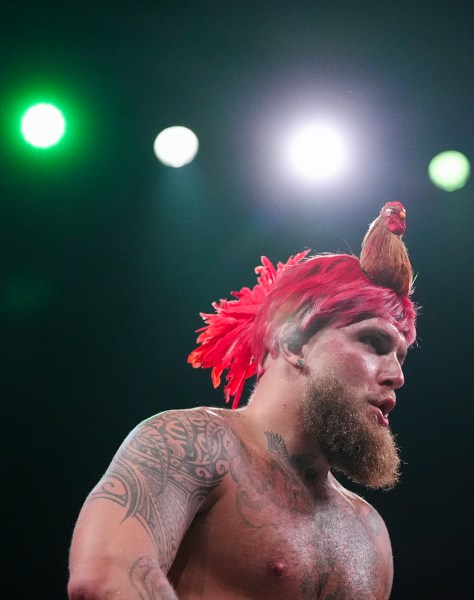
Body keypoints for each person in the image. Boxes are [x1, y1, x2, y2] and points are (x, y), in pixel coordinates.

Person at [68, 203, 417, 600]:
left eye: (401, 357)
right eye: (373, 342)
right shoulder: (192, 444)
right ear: (292, 342)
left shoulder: (368, 532)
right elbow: (107, 576)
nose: (397, 375)